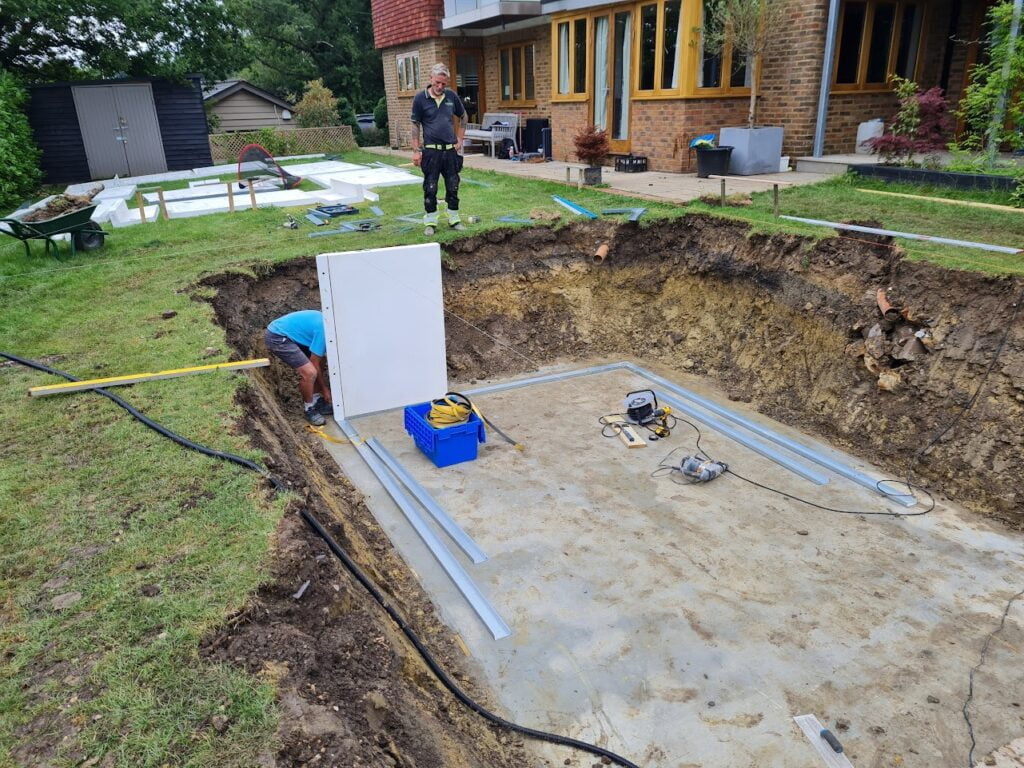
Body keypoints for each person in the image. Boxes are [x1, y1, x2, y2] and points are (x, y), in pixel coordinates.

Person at [410, 63, 466, 237]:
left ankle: (454, 218)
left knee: (453, 185)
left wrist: (460, 139)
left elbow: (463, 116)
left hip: (450, 151)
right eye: (437, 83)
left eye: (444, 84)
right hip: (431, 152)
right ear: (431, 79)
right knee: (430, 187)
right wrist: (416, 150)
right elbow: (415, 124)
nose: (440, 87)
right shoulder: (420, 99)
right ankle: (430, 221)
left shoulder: (451, 97)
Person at [264, 309, 332, 426]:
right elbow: (314, 363)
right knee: (310, 372)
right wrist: (324, 388)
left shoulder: (329, 324)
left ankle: (316, 399)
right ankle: (309, 408)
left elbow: (319, 360)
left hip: (295, 335)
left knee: (321, 361)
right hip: (278, 336)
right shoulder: (324, 330)